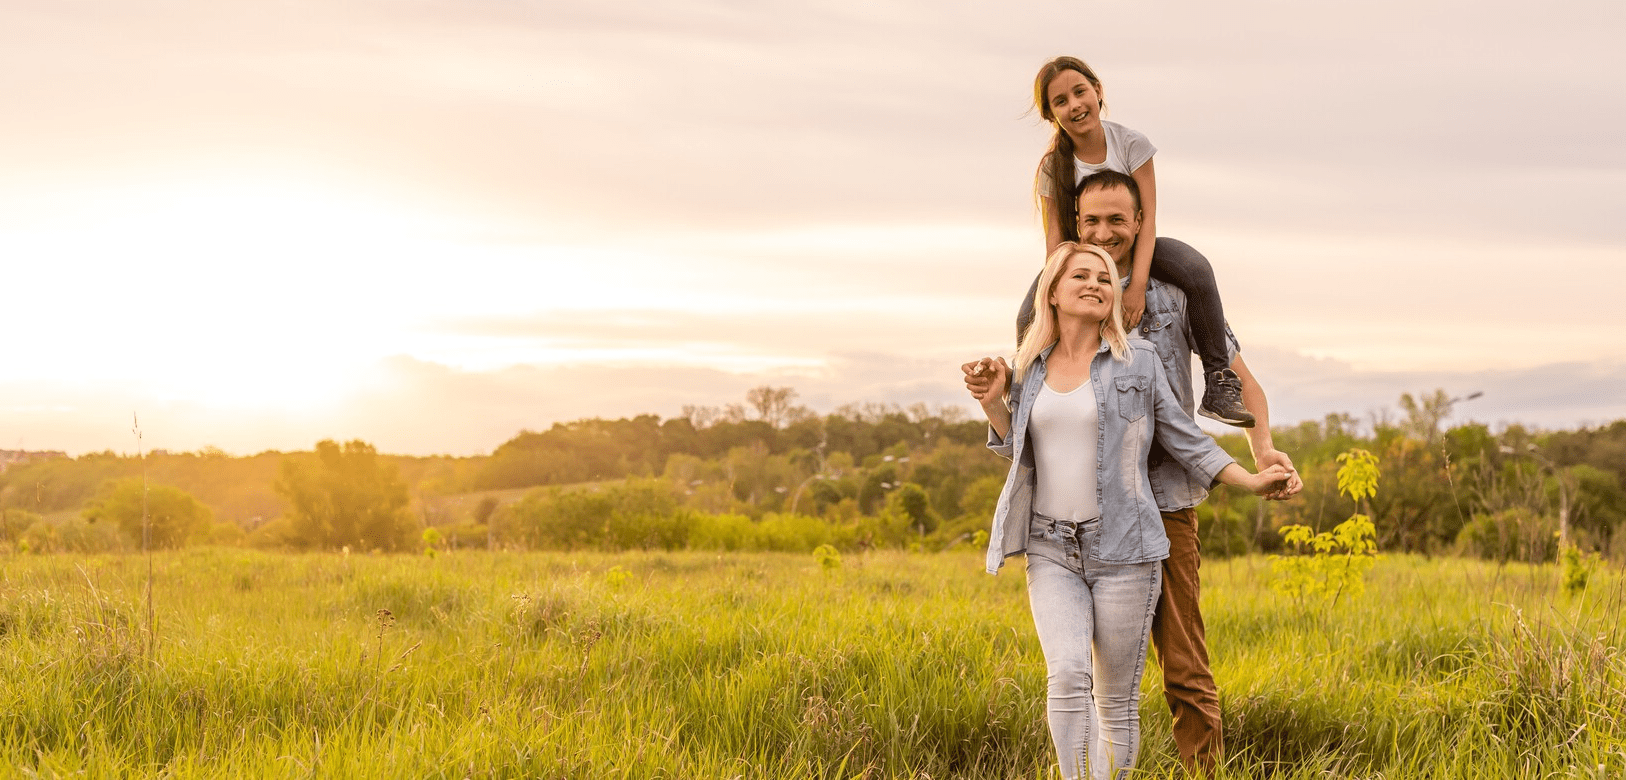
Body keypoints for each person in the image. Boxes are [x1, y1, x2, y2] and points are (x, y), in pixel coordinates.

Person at [975, 170, 1304, 774]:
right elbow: (1031, 425)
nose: (1105, 233)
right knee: (1074, 673)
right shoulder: (1060, 302)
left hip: (1166, 501)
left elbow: (1235, 382)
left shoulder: (1176, 295)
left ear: (1140, 224)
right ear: (1076, 227)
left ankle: (1202, 772)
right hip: (1071, 520)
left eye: (1117, 221)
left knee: (1182, 666)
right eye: (1092, 222)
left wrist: (1262, 453)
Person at [1027, 56, 1253, 428]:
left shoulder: (1131, 144)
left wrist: (1136, 288)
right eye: (1061, 101)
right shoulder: (1053, 167)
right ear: (1051, 114)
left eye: (1080, 92)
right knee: (1028, 313)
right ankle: (1029, 396)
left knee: (1196, 268)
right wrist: (1066, 287)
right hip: (1082, 254)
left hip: (1136, 244)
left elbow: (1146, 221)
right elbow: (1055, 242)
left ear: (1097, 91)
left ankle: (1218, 381)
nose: (1075, 105)